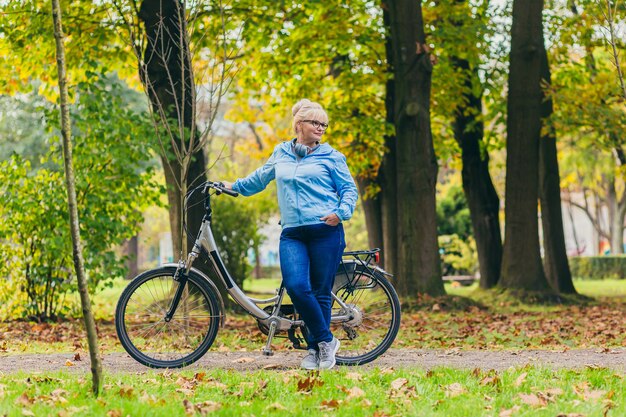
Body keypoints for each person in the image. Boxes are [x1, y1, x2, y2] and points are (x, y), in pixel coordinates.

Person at [223, 99, 358, 370]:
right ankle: (326, 341)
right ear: (299, 125)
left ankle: (314, 350)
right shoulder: (281, 153)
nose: (321, 128)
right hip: (293, 233)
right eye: (315, 123)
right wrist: (233, 187)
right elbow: (260, 178)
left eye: (324, 124)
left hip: (325, 230)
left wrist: (341, 213)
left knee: (321, 292)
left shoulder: (332, 156)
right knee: (297, 287)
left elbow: (349, 190)